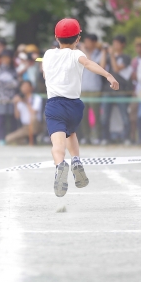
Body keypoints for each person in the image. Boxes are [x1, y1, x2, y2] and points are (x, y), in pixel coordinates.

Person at [43, 18, 119, 197]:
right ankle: (76, 160)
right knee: (71, 133)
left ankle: (60, 164)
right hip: (75, 105)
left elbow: (46, 75)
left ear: (56, 37)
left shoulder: (48, 55)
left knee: (58, 143)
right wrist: (108, 75)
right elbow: (88, 63)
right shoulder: (77, 54)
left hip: (55, 105)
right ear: (78, 39)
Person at [100, 35, 132, 145]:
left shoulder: (126, 57)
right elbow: (102, 67)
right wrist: (104, 53)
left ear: (123, 44)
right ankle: (105, 137)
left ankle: (126, 137)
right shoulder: (109, 56)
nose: (115, 45)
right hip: (108, 90)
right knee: (105, 116)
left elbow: (116, 69)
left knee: (124, 115)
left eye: (117, 43)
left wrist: (112, 55)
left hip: (121, 90)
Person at [78, 34, 104, 144]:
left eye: (88, 41)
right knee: (83, 115)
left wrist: (84, 50)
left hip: (94, 88)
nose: (86, 44)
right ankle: (86, 136)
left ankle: (97, 136)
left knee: (96, 114)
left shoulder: (99, 54)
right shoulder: (81, 55)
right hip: (83, 88)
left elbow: (92, 63)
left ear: (94, 42)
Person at [6, 80, 43, 144]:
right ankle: (26, 139)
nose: (25, 88)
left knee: (33, 117)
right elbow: (17, 116)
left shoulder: (36, 98)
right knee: (8, 138)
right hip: (25, 126)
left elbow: (34, 112)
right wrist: (15, 104)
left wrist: (26, 102)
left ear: (31, 88)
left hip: (36, 125)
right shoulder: (20, 100)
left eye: (26, 86)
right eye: (23, 87)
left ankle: (31, 138)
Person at [0, 49, 18, 145]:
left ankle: (12, 138)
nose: (5, 60)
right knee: (1, 119)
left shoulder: (13, 70)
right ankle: (0, 139)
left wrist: (10, 83)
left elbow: (16, 84)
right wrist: (11, 83)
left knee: (13, 119)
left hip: (12, 98)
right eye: (3, 58)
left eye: (7, 58)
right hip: (1, 98)